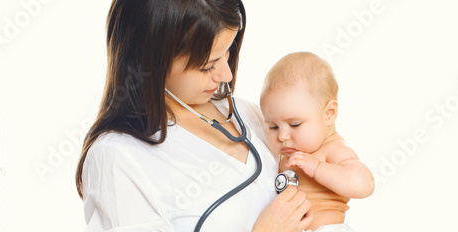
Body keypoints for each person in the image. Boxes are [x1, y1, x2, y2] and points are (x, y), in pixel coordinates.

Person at [75, 1, 313, 231]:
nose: (226, 74)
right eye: (207, 66)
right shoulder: (117, 156)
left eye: (227, 51)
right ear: (151, 62)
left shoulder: (250, 115)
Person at [260, 52, 375, 232]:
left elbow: (364, 185)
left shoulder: (333, 149)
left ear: (329, 114)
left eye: (295, 124)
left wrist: (317, 168)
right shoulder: (284, 154)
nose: (282, 136)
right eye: (273, 126)